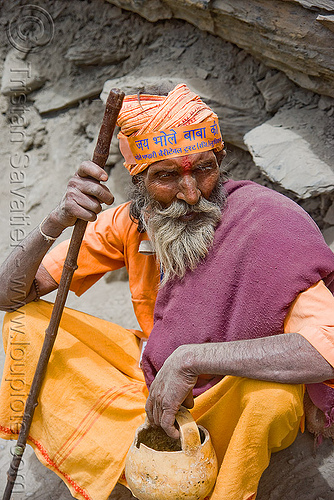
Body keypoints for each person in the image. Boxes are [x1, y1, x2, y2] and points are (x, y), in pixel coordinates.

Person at [0, 83, 334, 500]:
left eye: (204, 169)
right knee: (23, 325)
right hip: (153, 372)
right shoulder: (130, 222)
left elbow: (327, 350)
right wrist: (56, 219)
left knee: (273, 401)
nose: (191, 194)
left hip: (232, 388)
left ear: (221, 162)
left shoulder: (268, 225)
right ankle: (139, 458)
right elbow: (8, 296)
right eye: (166, 176)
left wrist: (192, 359)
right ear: (138, 180)